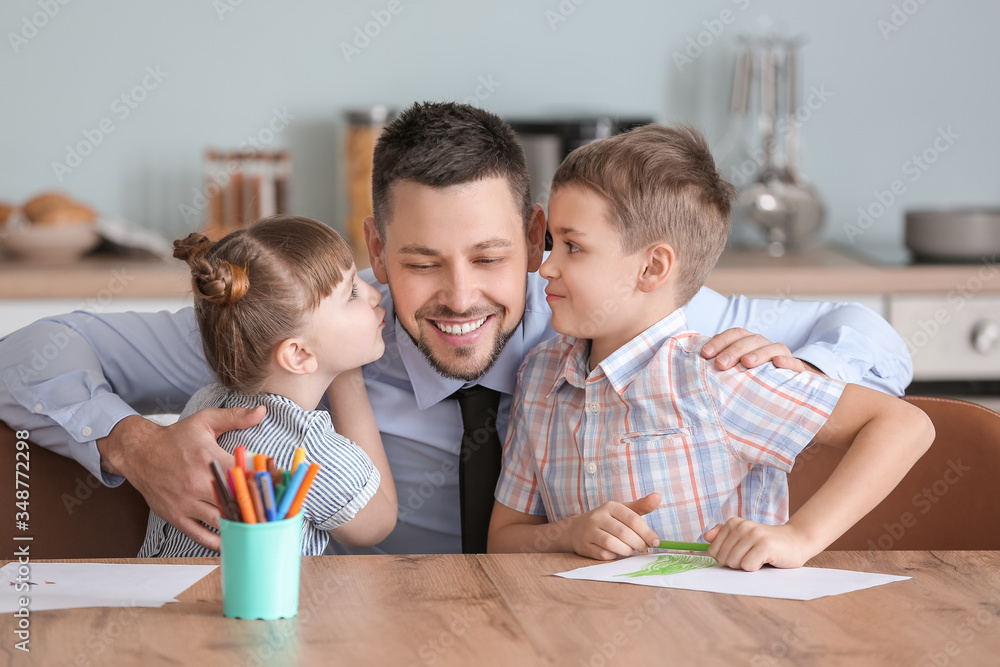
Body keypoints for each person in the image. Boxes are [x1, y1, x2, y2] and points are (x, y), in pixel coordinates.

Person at [0, 102, 914, 555]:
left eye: (489, 257)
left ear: (534, 239)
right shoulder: (308, 330)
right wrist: (126, 441)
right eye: (421, 263)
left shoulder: (618, 319)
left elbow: (868, 331)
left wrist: (794, 370)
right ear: (373, 249)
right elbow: (29, 351)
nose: (461, 298)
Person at [488, 125, 933, 570]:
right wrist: (568, 534)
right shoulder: (540, 376)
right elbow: (503, 541)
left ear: (652, 268)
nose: (545, 268)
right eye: (552, 245)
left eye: (573, 247)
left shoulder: (715, 373)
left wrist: (799, 537)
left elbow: (905, 425)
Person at [140, 216, 396, 557]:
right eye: (351, 293)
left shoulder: (204, 405)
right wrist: (349, 376)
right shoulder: (313, 453)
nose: (375, 293)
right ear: (299, 354)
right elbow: (378, 524)